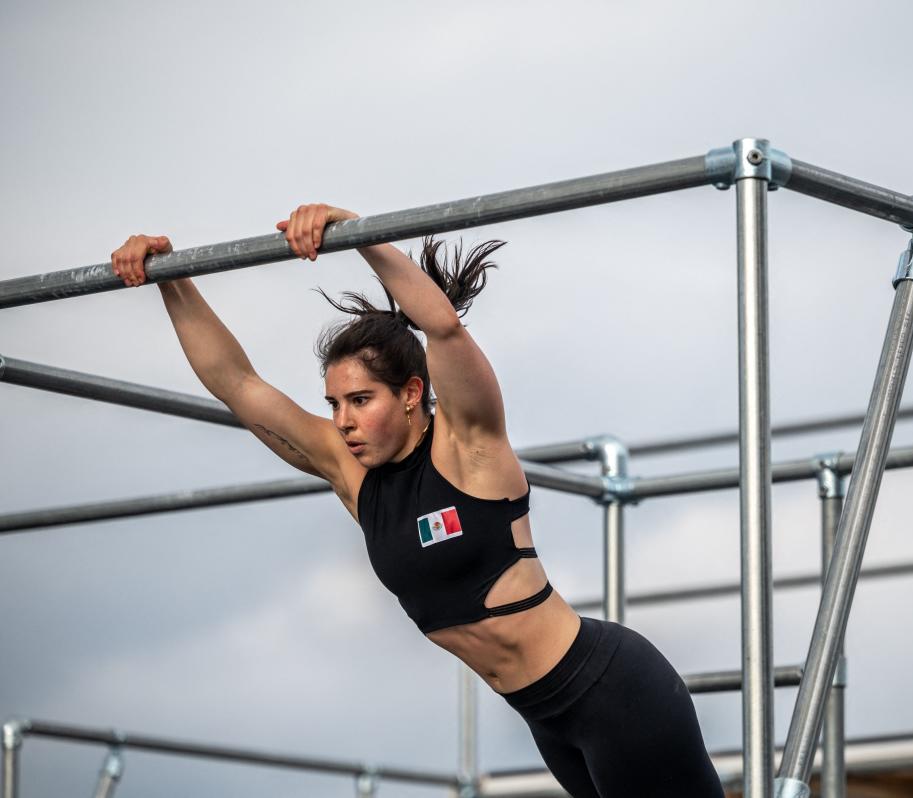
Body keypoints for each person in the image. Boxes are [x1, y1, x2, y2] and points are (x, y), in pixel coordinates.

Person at [109, 204, 726, 798]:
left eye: (360, 400)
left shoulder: (470, 449)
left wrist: (355, 230)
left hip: (610, 691)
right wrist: (170, 278)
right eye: (334, 404)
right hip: (546, 717)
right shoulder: (354, 477)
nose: (343, 421)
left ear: (410, 394)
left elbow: (442, 327)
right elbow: (236, 383)